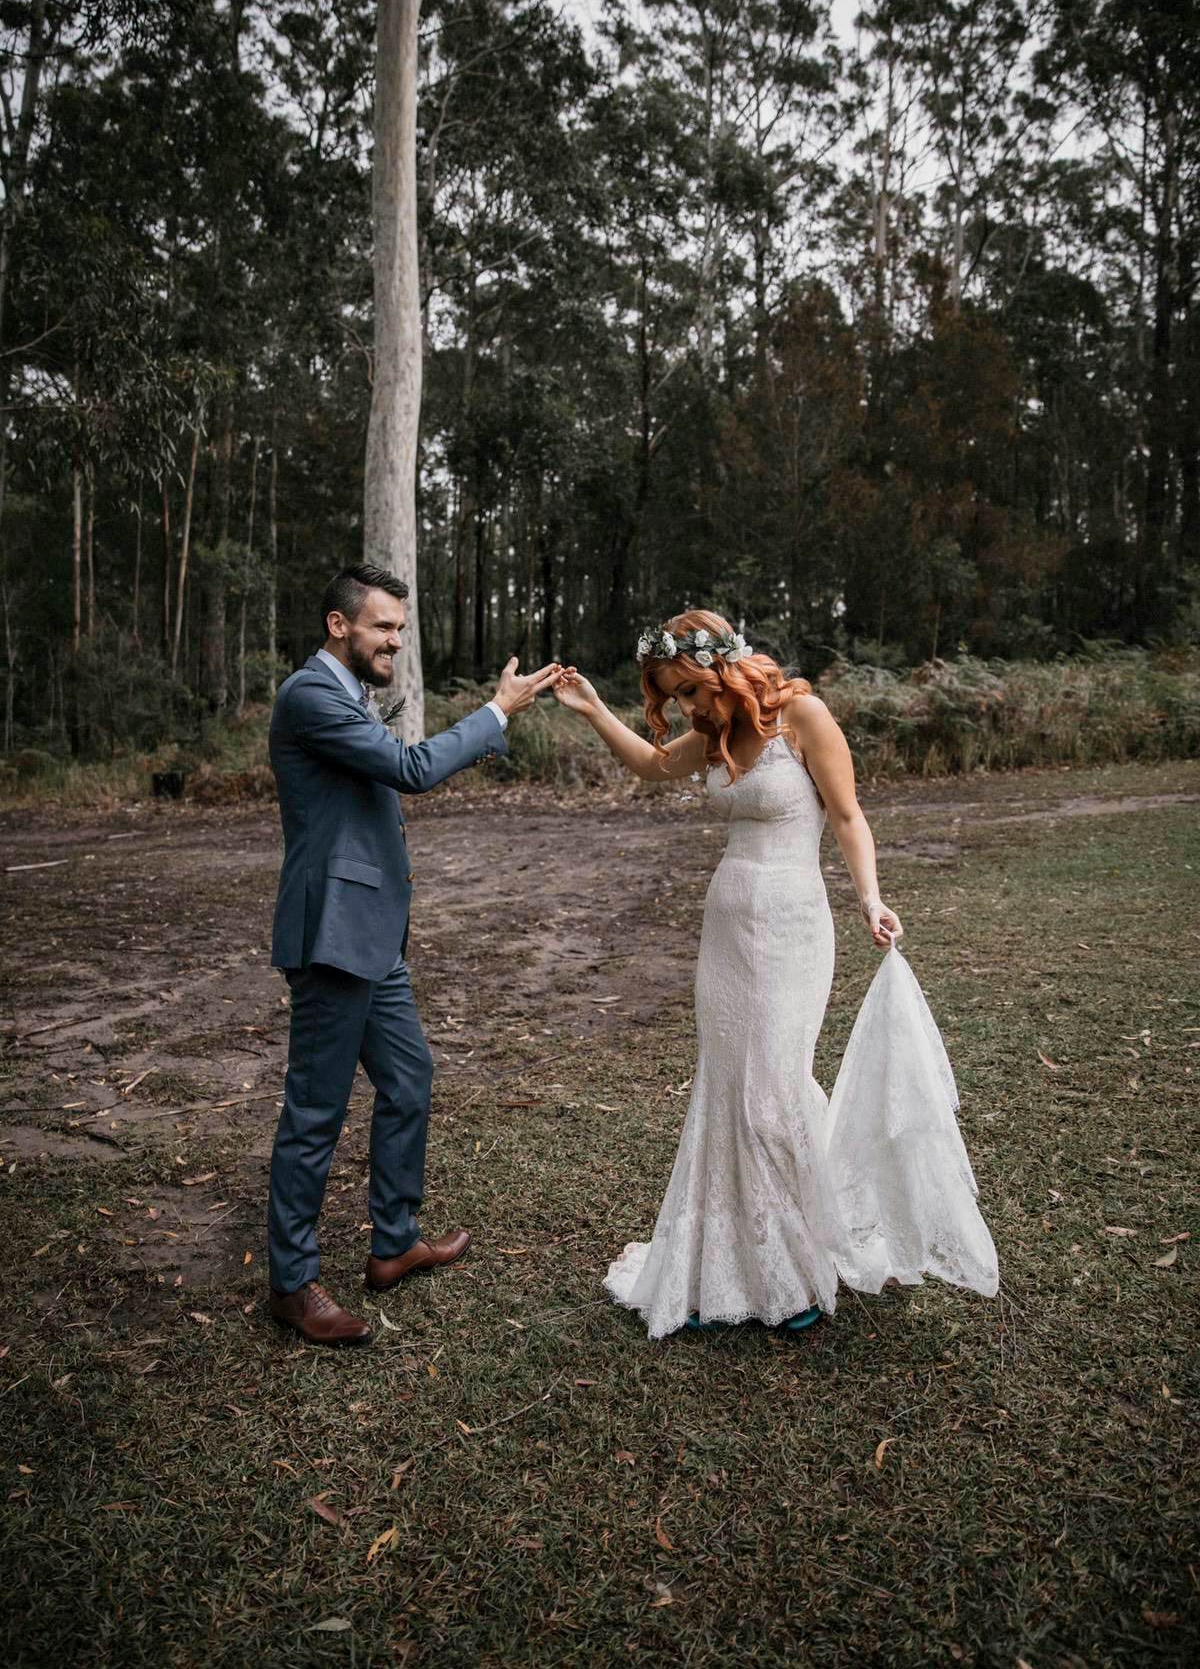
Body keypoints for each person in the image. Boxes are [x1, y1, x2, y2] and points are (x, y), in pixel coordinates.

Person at [553, 610, 997, 1339]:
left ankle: (794, 1264)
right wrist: (595, 709)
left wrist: (871, 898)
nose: (686, 708)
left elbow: (848, 817)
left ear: (720, 667)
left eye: (688, 690)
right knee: (728, 1090)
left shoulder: (802, 717)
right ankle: (730, 1268)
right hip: (727, 927)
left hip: (793, 928)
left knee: (772, 1092)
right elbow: (653, 765)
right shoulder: (717, 734)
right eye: (674, 697)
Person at [266, 563, 558, 1346]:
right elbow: (411, 769)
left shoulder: (348, 695)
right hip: (333, 936)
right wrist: (497, 711)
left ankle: (393, 1242)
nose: (396, 640)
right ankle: (291, 1285)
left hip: (372, 936)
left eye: (401, 628)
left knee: (408, 1080)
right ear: (339, 625)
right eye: (384, 627)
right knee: (316, 1113)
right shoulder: (311, 695)